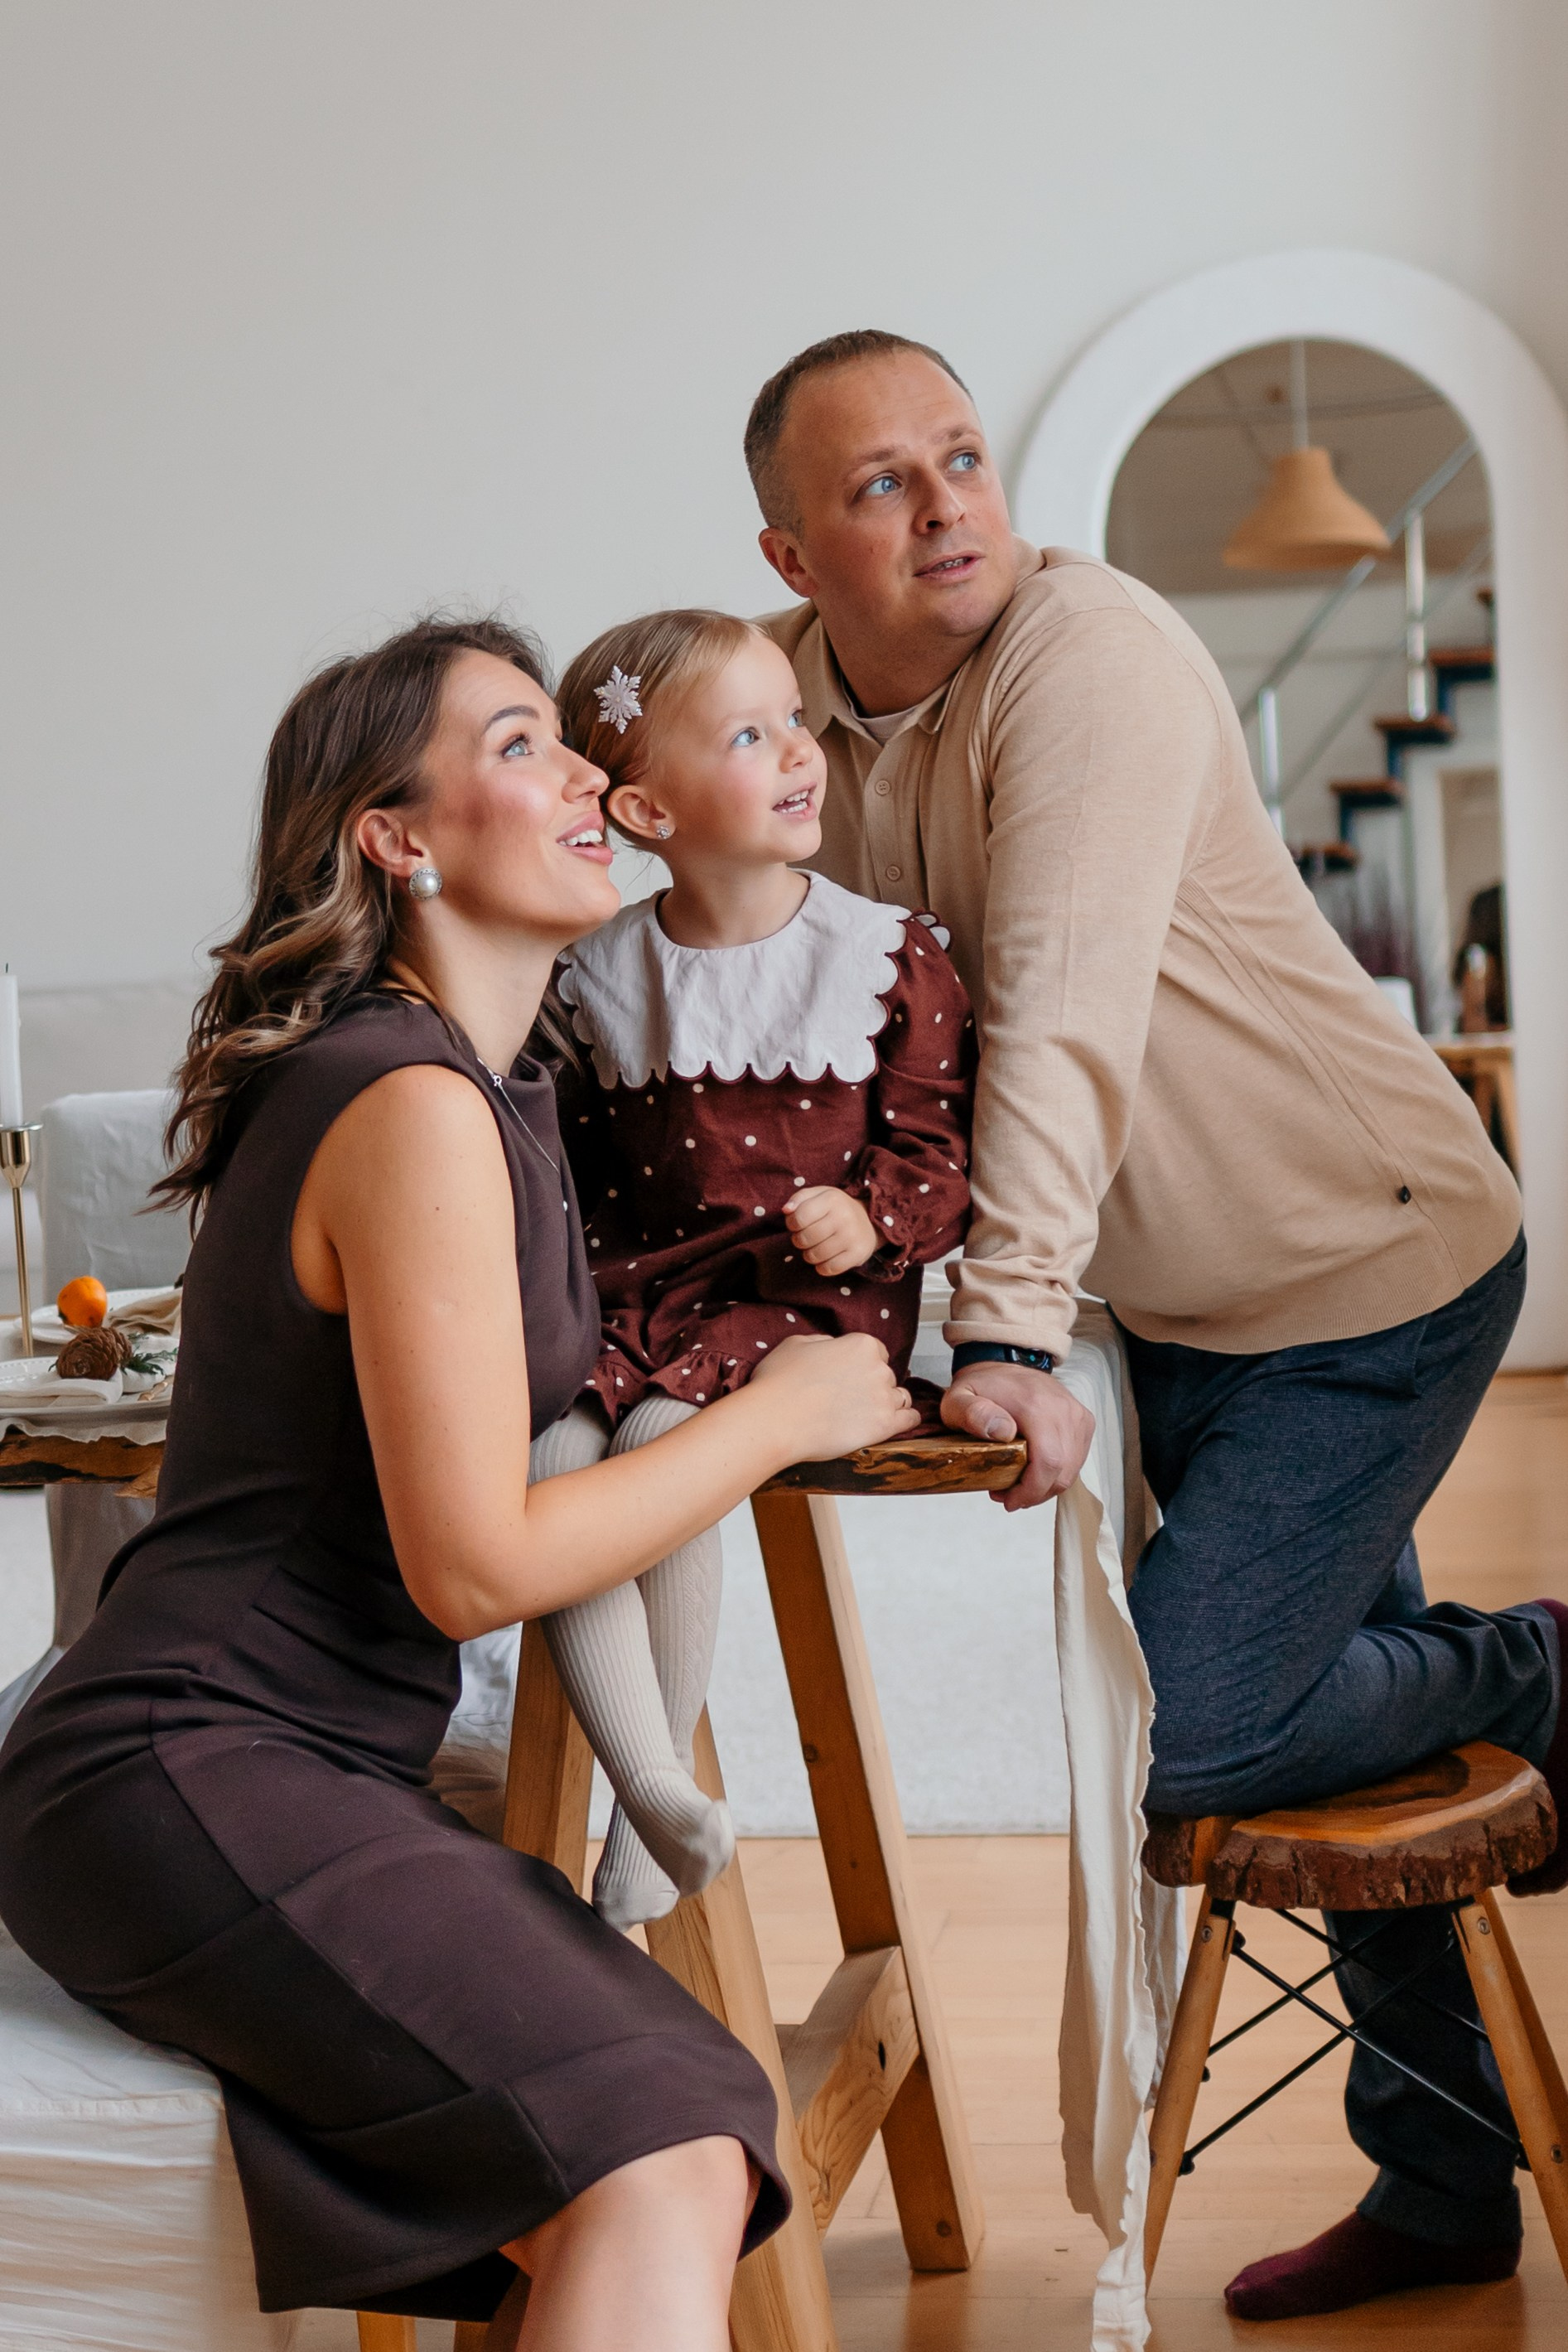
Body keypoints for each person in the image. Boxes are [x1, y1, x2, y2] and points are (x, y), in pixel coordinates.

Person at [743, 328, 1568, 2324]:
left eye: (959, 456)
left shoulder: (1084, 658)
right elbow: (782, 1005)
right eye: (879, 483)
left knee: (1185, 1726)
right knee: (1311, 1726)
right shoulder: (788, 718)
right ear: (788, 554)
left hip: (1363, 1258)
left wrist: (1008, 1333)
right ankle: (1443, 2186)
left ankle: (1542, 1672)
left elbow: (1057, 1015)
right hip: (1189, 1297)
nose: (944, 505)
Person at [0, 617, 919, 2350]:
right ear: (395, 838)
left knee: (664, 2130)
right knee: (665, 2140)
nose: (584, 774)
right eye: (518, 744)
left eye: (570, 741)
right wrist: (777, 1416)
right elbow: (474, 1567)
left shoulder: (491, 1095)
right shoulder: (403, 1101)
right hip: (183, 1766)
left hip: (285, 1766)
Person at [529, 607, 972, 1930]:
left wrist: (871, 1217)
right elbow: (562, 1175)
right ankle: (656, 1784)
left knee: (661, 1440)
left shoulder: (883, 953)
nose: (796, 750)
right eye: (747, 734)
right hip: (641, 1297)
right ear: (647, 812)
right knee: (548, 1460)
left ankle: (640, 1823)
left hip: (804, 1309)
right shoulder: (595, 973)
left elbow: (941, 1153)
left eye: (794, 719)